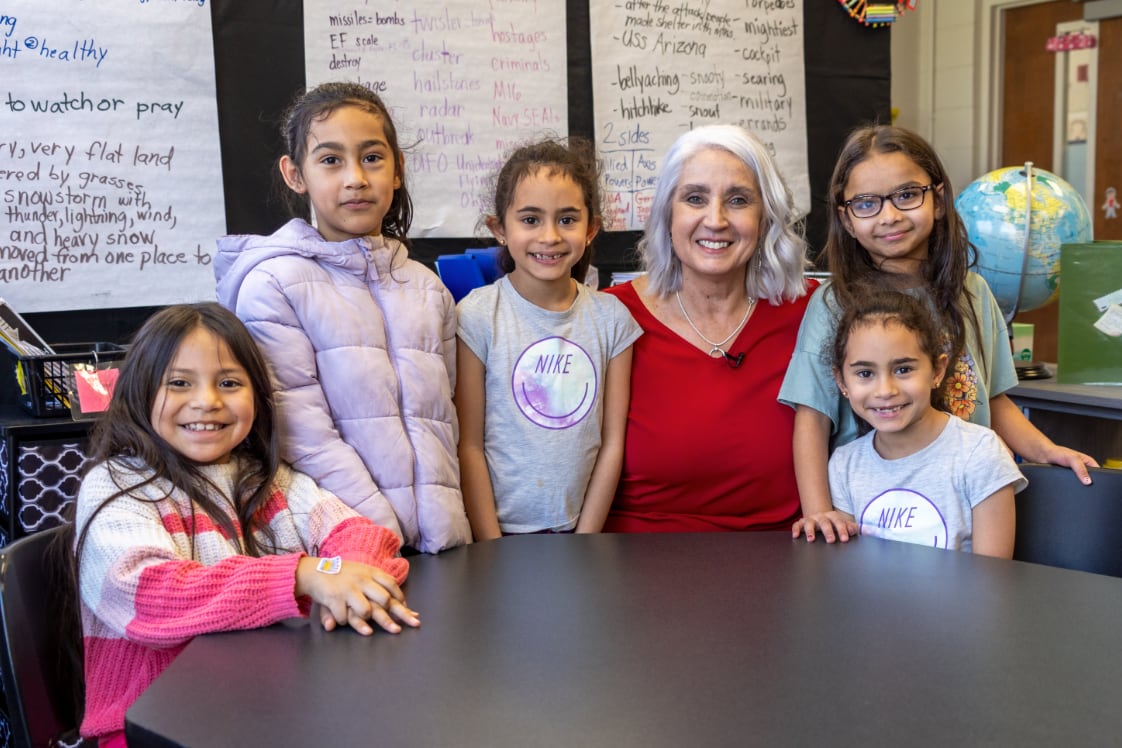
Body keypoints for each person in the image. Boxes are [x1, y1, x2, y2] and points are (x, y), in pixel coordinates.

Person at [72, 303, 419, 747]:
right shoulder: (118, 485)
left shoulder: (267, 480)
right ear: (139, 392)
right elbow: (150, 595)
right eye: (179, 383)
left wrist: (349, 581)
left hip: (266, 705)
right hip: (152, 725)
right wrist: (304, 575)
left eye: (229, 383)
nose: (208, 401)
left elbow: (361, 536)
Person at [780, 125, 1096, 543]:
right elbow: (812, 417)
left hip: (961, 509)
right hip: (870, 514)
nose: (889, 216)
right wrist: (819, 511)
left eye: (907, 195)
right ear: (846, 218)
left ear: (939, 200)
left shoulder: (974, 294)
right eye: (866, 203)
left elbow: (993, 399)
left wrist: (1046, 450)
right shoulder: (832, 304)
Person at [214, 81, 470, 554]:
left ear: (398, 169)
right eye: (331, 160)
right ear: (295, 174)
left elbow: (445, 420)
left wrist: (448, 531)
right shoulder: (273, 286)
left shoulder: (427, 288)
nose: (356, 177)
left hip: (442, 547)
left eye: (372, 157)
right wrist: (382, 536)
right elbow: (302, 436)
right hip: (343, 552)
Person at [602, 124, 816, 532]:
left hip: (782, 569)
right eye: (695, 198)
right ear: (668, 213)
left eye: (738, 200)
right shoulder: (611, 317)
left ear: (766, 216)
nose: (715, 220)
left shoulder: (812, 312)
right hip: (635, 570)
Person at [455, 139, 642, 538]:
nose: (550, 236)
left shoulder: (612, 320)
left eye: (568, 219)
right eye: (530, 219)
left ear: (591, 229)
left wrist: (585, 539)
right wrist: (490, 543)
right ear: (499, 229)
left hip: (581, 535)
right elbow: (469, 443)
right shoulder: (476, 315)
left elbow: (612, 443)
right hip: (497, 536)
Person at [801, 290, 1023, 557]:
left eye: (903, 369)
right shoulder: (844, 464)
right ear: (841, 382)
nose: (885, 390)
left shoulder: (980, 453)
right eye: (865, 373)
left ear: (938, 371)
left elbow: (992, 580)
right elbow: (843, 570)